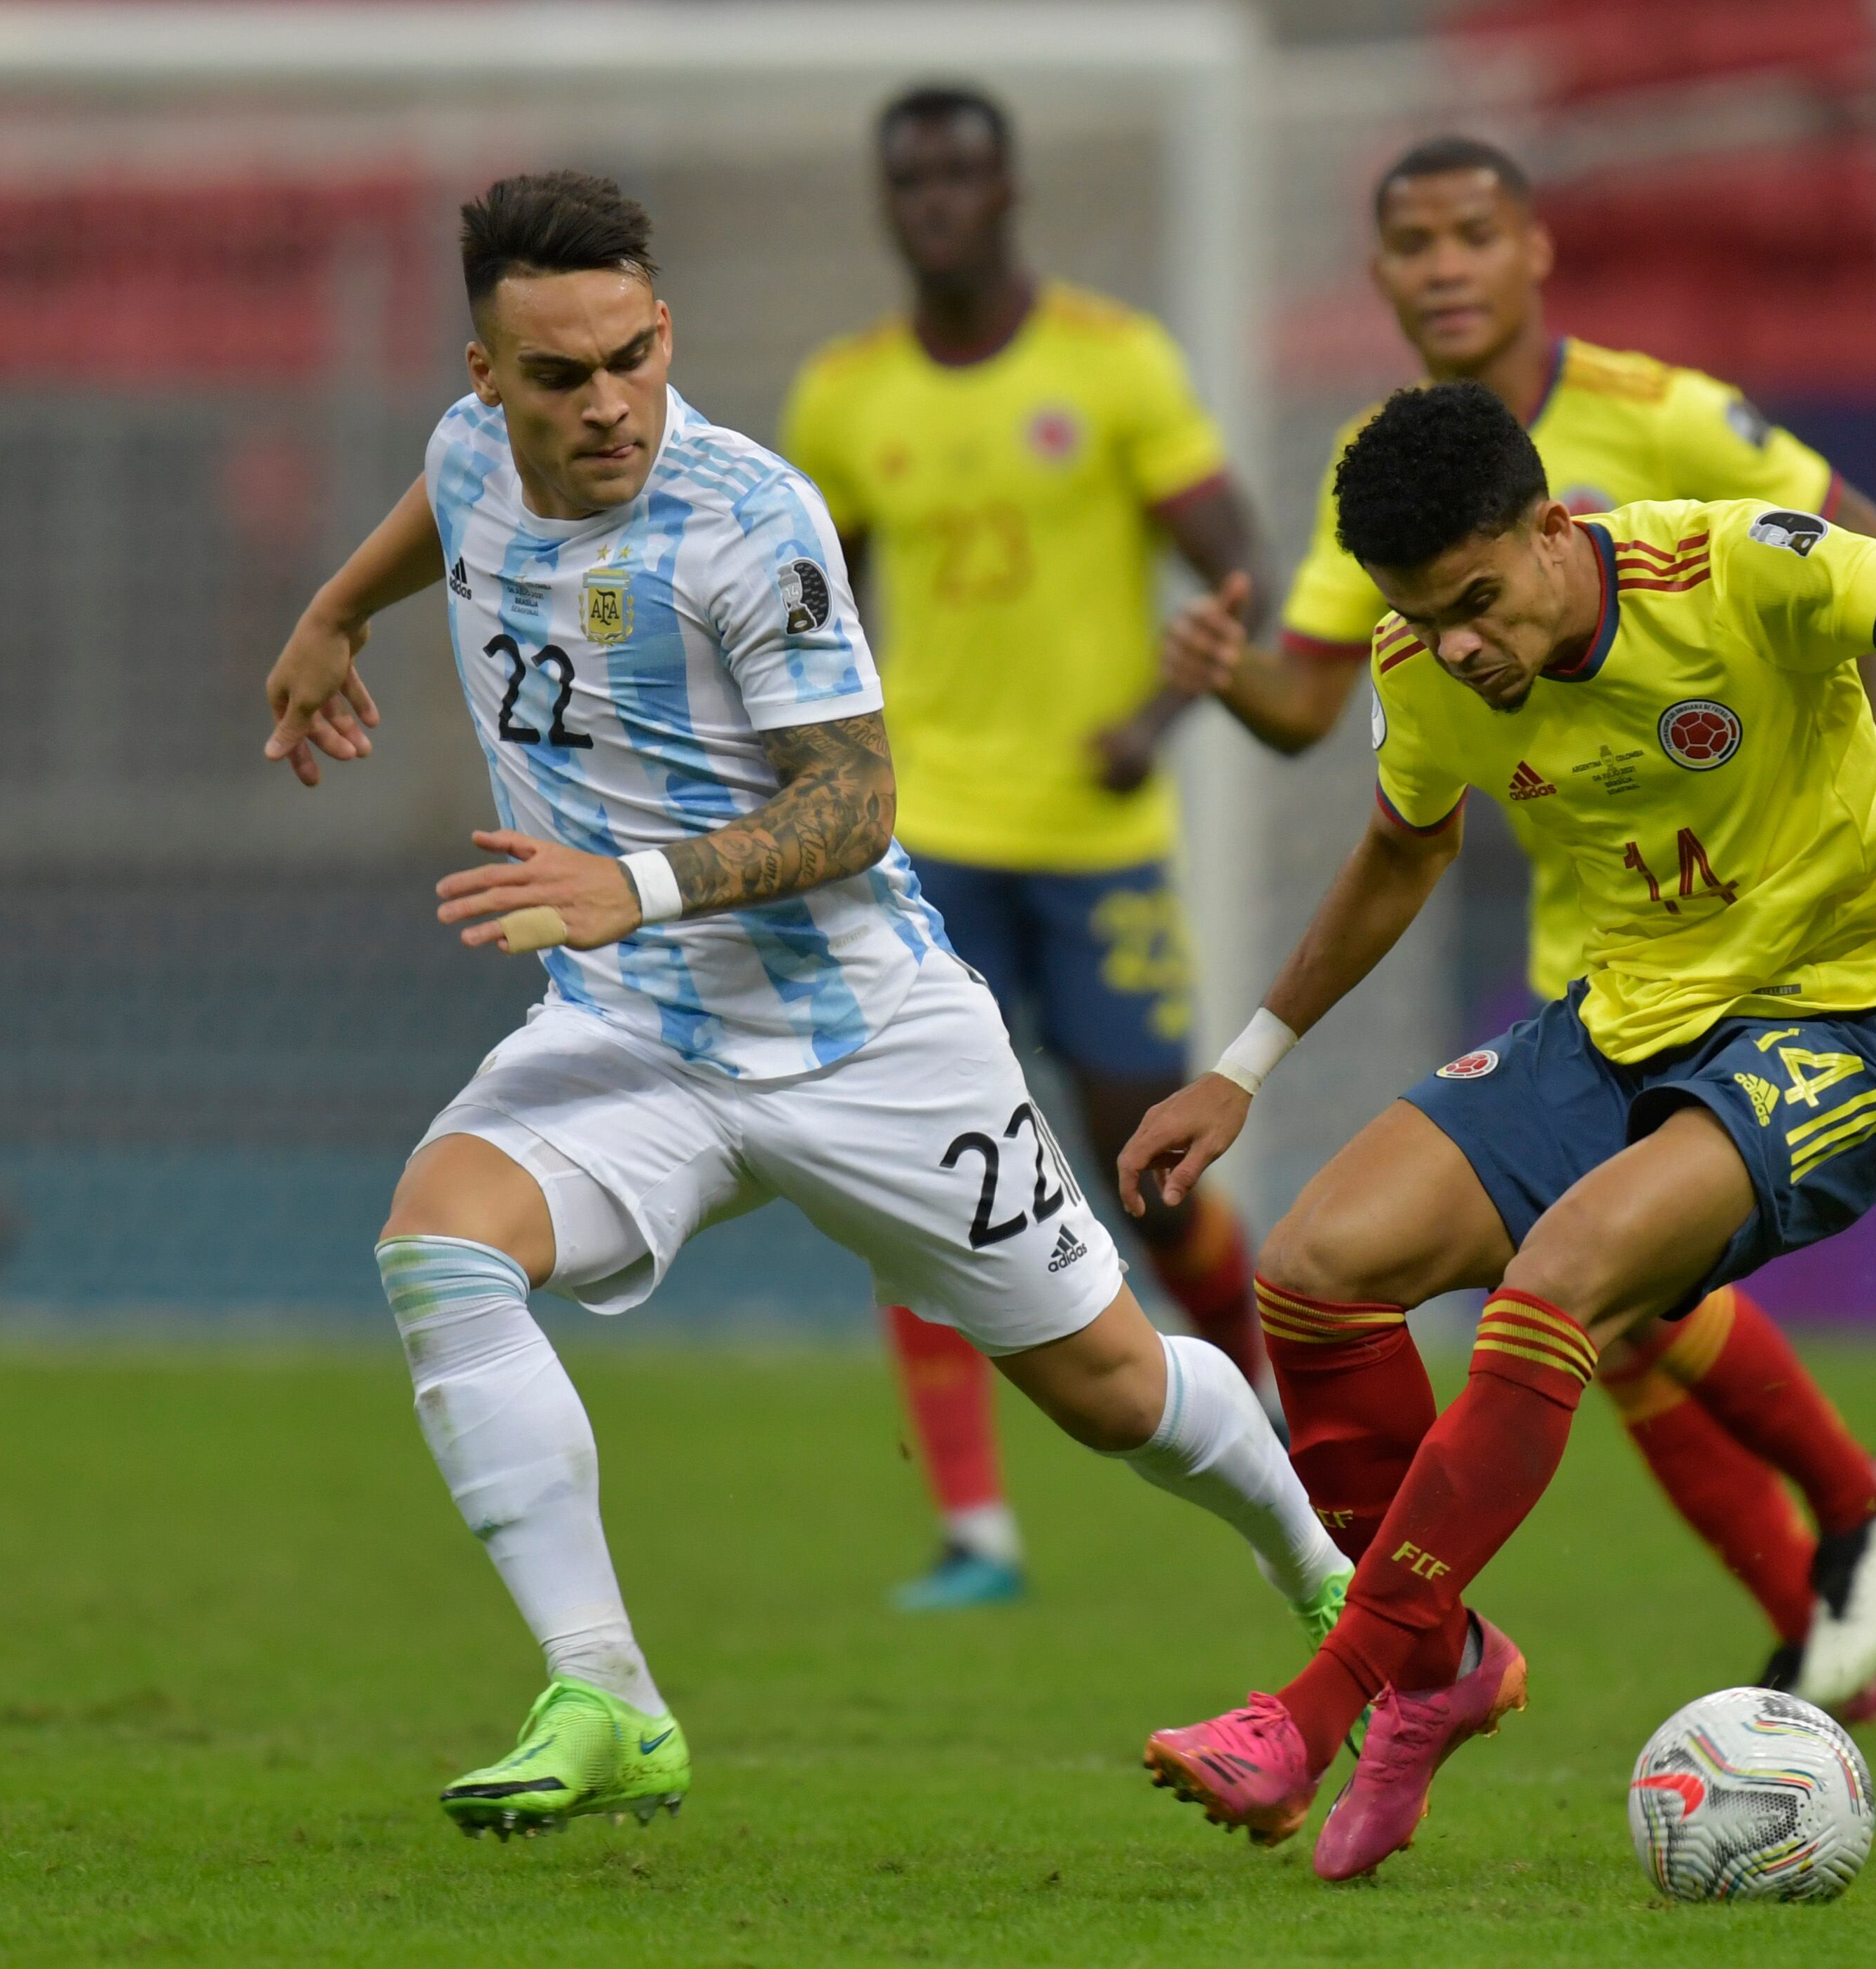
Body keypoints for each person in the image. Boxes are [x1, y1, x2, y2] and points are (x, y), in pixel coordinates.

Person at [258, 171, 1349, 1838]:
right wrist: (334, 612)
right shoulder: (470, 452)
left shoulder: (748, 518)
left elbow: (856, 803)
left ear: (665, 331)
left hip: (863, 1039)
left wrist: (637, 882)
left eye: (633, 356)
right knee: (439, 1243)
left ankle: (1333, 1585)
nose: (608, 403)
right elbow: (443, 496)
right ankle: (608, 1694)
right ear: (486, 374)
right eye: (558, 377)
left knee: (1114, 1394)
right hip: (636, 1035)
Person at [1127, 381, 1876, 1879]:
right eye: (1420, 614)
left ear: (1550, 529)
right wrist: (1242, 1066)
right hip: (1621, 1021)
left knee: (1562, 1276)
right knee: (1318, 1267)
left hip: (1838, 1019)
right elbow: (1402, 847)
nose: (1456, 642)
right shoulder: (1424, 660)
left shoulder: (1733, 569)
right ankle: (1443, 1662)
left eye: (1475, 600)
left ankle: (1317, 1711)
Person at [1163, 135, 1876, 1708]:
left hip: (1771, 938)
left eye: (1471, 233)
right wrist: (1229, 674)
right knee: (1624, 1316)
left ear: (1534, 253)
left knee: (1612, 1306)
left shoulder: (1661, 420)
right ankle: (1839, 1580)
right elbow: (1324, 713)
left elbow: (1862, 550)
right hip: (1598, 960)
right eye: (1410, 242)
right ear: (1379, 276)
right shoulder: (1384, 488)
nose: (1442, 265)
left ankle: (1845, 1542)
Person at [779, 83, 1282, 1613]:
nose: (934, 200)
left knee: (1155, 1170)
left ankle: (1280, 1406)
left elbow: (1243, 565)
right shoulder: (841, 399)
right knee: (912, 1170)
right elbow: (809, 619)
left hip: (1096, 838)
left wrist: (1162, 704)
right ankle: (975, 1530)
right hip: (922, 844)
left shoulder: (1113, 365)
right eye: (909, 178)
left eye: (960, 175)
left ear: (1008, 194)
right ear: (887, 202)